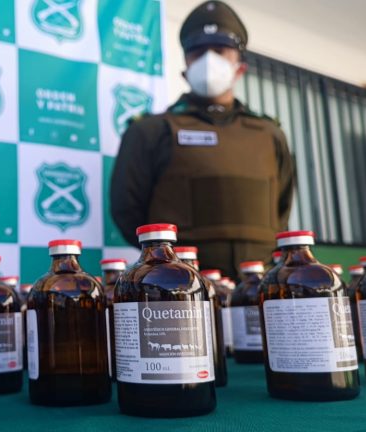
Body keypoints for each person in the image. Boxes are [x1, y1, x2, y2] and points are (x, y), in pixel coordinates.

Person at [110, 0, 295, 278]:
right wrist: (167, 261)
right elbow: (127, 211)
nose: (209, 61)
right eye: (198, 52)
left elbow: (282, 208)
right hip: (178, 286)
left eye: (220, 51)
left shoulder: (270, 134)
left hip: (259, 282)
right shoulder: (150, 130)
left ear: (240, 67)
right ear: (185, 65)